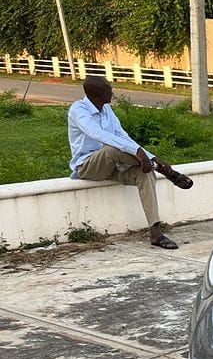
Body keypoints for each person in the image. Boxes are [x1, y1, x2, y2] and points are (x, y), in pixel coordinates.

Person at [68, 76, 193, 249]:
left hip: (113, 165)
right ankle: (166, 171)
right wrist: (137, 152)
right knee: (111, 149)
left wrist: (149, 156)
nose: (112, 92)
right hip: (88, 166)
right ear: (99, 93)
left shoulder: (107, 111)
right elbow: (98, 135)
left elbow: (122, 136)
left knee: (146, 173)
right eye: (109, 89)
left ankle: (156, 232)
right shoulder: (78, 110)